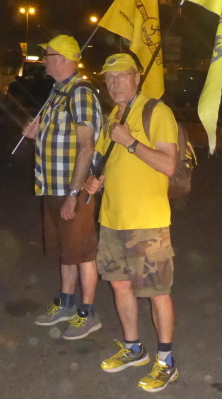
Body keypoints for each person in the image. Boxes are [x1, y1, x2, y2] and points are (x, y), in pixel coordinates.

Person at [84, 53, 179, 392]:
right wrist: (95, 182)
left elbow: (168, 165)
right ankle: (133, 348)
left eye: (122, 76)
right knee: (119, 286)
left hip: (147, 222)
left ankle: (166, 362)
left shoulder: (157, 112)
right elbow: (106, 164)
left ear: (137, 77)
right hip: (112, 220)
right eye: (109, 78)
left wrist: (132, 142)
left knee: (156, 293)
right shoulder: (112, 116)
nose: (115, 83)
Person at [21, 34, 103, 340]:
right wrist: (37, 135)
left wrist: (73, 194)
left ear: (65, 60)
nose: (44, 60)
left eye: (49, 55)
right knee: (66, 251)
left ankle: (88, 312)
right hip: (52, 187)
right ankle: (67, 303)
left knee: (83, 252)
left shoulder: (80, 94)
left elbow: (86, 147)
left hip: (72, 190)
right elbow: (59, 137)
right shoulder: (57, 92)